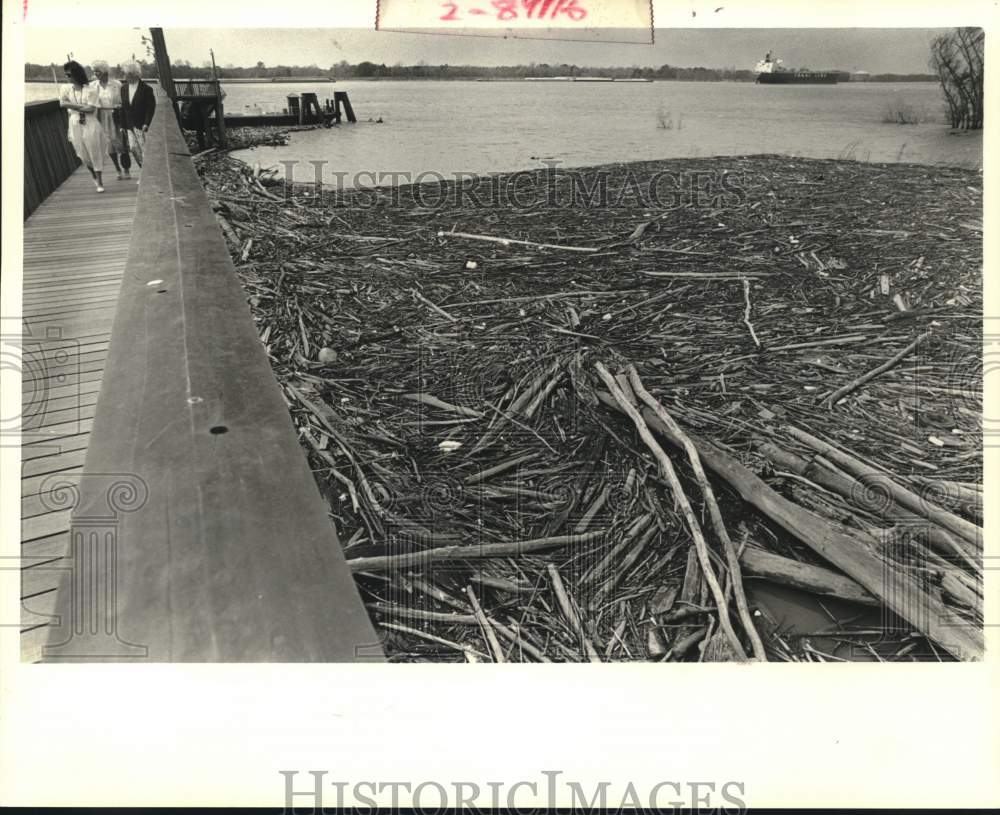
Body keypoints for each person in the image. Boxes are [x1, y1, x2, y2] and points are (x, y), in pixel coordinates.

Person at [59, 60, 109, 193]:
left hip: (90, 122)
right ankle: (93, 175)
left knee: (94, 151)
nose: (67, 77)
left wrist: (71, 105)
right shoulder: (66, 89)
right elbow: (61, 103)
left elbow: (91, 109)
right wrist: (82, 107)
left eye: (69, 75)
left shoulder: (90, 90)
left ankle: (99, 181)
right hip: (75, 123)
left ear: (77, 74)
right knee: (82, 153)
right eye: (66, 75)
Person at [90, 60, 130, 180]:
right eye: (94, 71)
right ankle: (117, 168)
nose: (96, 73)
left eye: (98, 71)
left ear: (105, 71)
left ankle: (126, 168)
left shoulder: (116, 84)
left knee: (121, 144)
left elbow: (124, 99)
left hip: (116, 116)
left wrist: (120, 106)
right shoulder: (92, 86)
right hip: (101, 117)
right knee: (109, 146)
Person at [119, 60, 156, 174]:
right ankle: (144, 171)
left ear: (132, 74)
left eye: (125, 73)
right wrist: (122, 125)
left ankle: (150, 174)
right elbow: (124, 108)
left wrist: (147, 123)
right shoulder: (124, 88)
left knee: (145, 150)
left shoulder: (146, 89)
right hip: (130, 124)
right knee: (134, 148)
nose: (124, 76)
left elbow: (151, 107)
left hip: (142, 125)